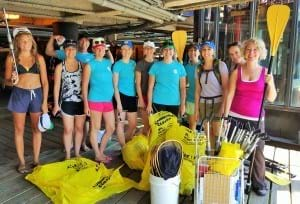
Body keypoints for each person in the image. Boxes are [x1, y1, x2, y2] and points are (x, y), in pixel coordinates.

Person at [224, 38, 277, 196]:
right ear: (244, 52)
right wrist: (225, 118)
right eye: (248, 49)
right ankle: (231, 177)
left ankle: (259, 183)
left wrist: (271, 83)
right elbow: (230, 94)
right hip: (234, 116)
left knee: (257, 152)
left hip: (255, 119)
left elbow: (272, 98)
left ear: (260, 52)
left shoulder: (266, 72)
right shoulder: (236, 72)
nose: (251, 52)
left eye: (255, 50)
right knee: (232, 148)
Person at [5, 27, 49, 173]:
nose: (26, 43)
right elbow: (6, 81)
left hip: (36, 95)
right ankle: (22, 162)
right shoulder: (12, 58)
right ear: (17, 43)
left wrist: (44, 102)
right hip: (19, 95)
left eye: (28, 40)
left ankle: (36, 160)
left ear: (32, 41)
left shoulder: (39, 58)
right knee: (19, 129)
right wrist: (12, 80)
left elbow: (45, 82)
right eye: (22, 41)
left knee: (37, 129)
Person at [82, 38, 115, 163]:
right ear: (94, 50)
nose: (100, 50)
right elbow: (84, 86)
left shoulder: (107, 62)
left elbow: (112, 60)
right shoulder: (90, 65)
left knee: (111, 127)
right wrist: (86, 105)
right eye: (98, 49)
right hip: (95, 100)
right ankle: (97, 154)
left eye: (102, 48)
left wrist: (108, 49)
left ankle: (101, 151)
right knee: (95, 128)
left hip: (108, 101)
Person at [52, 40, 86, 160]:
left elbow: (87, 84)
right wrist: (56, 104)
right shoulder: (60, 67)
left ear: (76, 51)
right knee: (68, 129)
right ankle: (67, 154)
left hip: (81, 102)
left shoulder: (82, 65)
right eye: (68, 49)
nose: (70, 51)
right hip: (66, 102)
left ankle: (76, 153)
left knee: (79, 129)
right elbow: (56, 86)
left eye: (72, 49)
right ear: (64, 51)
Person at [194, 41, 229, 153]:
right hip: (204, 104)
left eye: (209, 49)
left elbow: (226, 88)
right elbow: (198, 90)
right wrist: (196, 110)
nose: (206, 52)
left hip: (218, 103)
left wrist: (223, 108)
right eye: (204, 50)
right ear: (201, 52)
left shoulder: (221, 65)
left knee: (219, 133)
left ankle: (220, 160)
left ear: (213, 51)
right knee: (208, 133)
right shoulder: (199, 68)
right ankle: (210, 158)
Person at [147, 40, 186, 116]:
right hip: (158, 101)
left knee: (171, 127)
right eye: (165, 49)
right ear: (162, 51)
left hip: (174, 102)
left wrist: (182, 105)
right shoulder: (155, 66)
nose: (168, 51)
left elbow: (183, 88)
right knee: (159, 127)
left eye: (170, 49)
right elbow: (150, 87)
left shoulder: (180, 67)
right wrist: (149, 104)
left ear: (174, 51)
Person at [113, 40, 137, 147]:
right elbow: (115, 85)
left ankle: (127, 144)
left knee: (133, 125)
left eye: (128, 49)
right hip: (120, 96)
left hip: (132, 97)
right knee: (120, 124)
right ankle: (123, 147)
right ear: (121, 51)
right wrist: (118, 103)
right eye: (123, 49)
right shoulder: (117, 65)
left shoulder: (134, 64)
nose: (126, 51)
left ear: (131, 51)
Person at [135, 41, 156, 136]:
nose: (149, 50)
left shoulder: (157, 64)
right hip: (143, 95)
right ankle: (145, 147)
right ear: (144, 50)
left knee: (154, 125)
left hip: (155, 96)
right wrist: (141, 99)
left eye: (151, 48)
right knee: (146, 125)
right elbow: (138, 84)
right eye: (147, 48)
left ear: (154, 50)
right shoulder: (140, 64)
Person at [185, 43, 201, 130]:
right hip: (191, 100)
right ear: (188, 53)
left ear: (199, 53)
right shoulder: (186, 67)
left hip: (204, 100)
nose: (193, 52)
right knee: (192, 125)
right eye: (190, 50)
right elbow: (185, 83)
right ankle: (192, 143)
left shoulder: (203, 65)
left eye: (195, 50)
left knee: (207, 126)